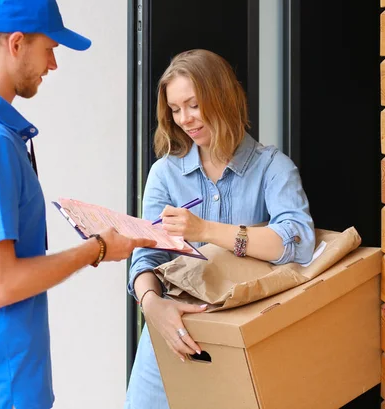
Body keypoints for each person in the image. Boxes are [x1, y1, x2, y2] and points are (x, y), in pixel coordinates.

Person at [0, 1, 156, 408]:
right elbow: (1, 286)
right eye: (50, 48)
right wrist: (99, 249)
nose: (53, 64)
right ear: (16, 43)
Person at [124, 49, 316, 409]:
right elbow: (147, 254)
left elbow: (299, 241)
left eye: (193, 105)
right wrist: (152, 306)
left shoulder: (272, 169)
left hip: (245, 340)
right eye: (175, 109)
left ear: (221, 96)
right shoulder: (164, 175)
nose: (185, 119)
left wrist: (207, 230)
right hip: (171, 336)